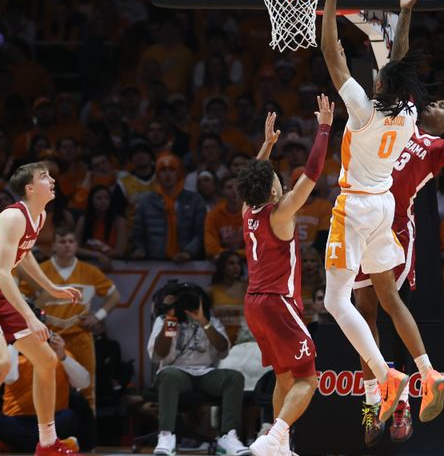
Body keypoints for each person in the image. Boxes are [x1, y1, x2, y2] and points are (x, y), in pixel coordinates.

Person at [349, 0, 444, 445]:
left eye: (443, 106)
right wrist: (405, 11)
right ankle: (378, 397)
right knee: (361, 313)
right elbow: (400, 62)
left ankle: (409, 390)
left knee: (388, 307)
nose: (435, 103)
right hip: (363, 216)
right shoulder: (400, 116)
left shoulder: (437, 144)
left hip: (394, 225)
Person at [320, 0, 443, 429]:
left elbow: (333, 54)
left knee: (336, 302)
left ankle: (385, 375)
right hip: (384, 206)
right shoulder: (409, 111)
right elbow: (402, 60)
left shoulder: (363, 110)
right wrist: (406, 11)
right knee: (386, 299)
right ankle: (427, 372)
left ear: (378, 84)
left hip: (355, 208)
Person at [0, 162, 83, 456]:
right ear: (30, 188)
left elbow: (22, 256)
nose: (51, 179)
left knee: (47, 360)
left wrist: (51, 288)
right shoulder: (12, 216)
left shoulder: (40, 215)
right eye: (44, 176)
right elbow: (0, 273)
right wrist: (30, 317)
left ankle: (47, 443)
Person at [237, 94, 333, 456]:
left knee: (283, 376)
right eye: (277, 178)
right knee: (309, 378)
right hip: (278, 302)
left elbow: (251, 180)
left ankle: (279, 445)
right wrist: (323, 128)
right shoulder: (281, 212)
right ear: (274, 188)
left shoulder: (248, 211)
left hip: (254, 304)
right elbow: (311, 174)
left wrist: (266, 146)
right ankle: (274, 436)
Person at [148, 283, 248, 456]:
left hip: (205, 373)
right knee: (169, 374)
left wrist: (203, 321)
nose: (188, 304)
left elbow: (223, 350)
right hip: (176, 372)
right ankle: (166, 436)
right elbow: (159, 354)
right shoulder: (165, 320)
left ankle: (227, 437)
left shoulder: (211, 321)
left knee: (234, 377)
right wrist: (171, 317)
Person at [30, 228, 120, 412]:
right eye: (62, 242)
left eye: (71, 241)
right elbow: (23, 299)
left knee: (86, 389)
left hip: (81, 336)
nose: (67, 246)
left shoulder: (89, 271)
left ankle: (87, 437)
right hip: (48, 339)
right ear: (53, 245)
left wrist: (98, 316)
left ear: (76, 245)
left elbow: (114, 295)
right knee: (47, 388)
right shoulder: (39, 271)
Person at [0, 331, 90, 453]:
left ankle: (11, 445)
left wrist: (63, 357)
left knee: (69, 417)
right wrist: (13, 342)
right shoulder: (15, 355)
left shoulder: (60, 356)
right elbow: (9, 378)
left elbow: (84, 383)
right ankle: (53, 445)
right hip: (16, 420)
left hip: (51, 421)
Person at [131, 153, 207, 262]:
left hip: (188, 263)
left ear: (178, 173)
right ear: (157, 175)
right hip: (154, 263)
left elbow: (200, 233)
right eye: (163, 170)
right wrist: (139, 249)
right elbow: (138, 234)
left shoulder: (194, 200)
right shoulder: (146, 202)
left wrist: (188, 252)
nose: (168, 174)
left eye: (172, 170)